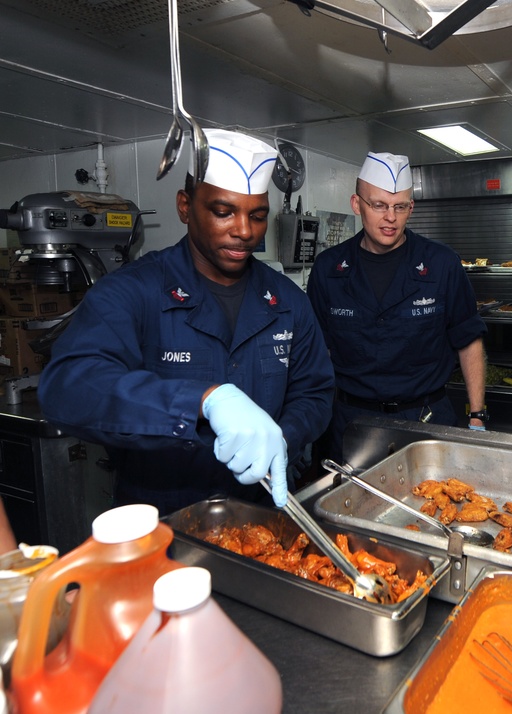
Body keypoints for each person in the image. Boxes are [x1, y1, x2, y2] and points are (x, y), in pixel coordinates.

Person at [39, 129, 335, 513]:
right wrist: (201, 400)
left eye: (257, 216)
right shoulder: (134, 292)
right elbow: (68, 389)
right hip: (164, 516)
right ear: (185, 206)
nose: (244, 231)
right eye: (223, 212)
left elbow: (314, 392)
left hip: (261, 513)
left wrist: (282, 436)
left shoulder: (288, 301)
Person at [307, 152, 487, 462]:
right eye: (378, 205)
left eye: (400, 207)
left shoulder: (441, 264)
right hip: (350, 422)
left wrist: (478, 415)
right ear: (356, 204)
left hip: (426, 419)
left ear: (410, 208)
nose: (390, 217)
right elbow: (315, 354)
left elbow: (468, 340)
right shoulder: (329, 269)